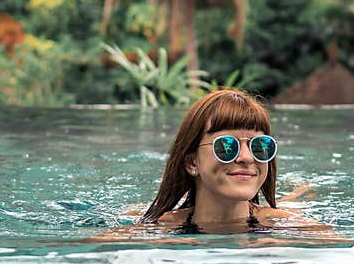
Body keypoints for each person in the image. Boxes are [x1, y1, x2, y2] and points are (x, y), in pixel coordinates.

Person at [135, 88, 329, 235]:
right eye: (226, 145)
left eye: (260, 146)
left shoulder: (292, 227)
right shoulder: (158, 228)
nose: (246, 157)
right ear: (192, 163)